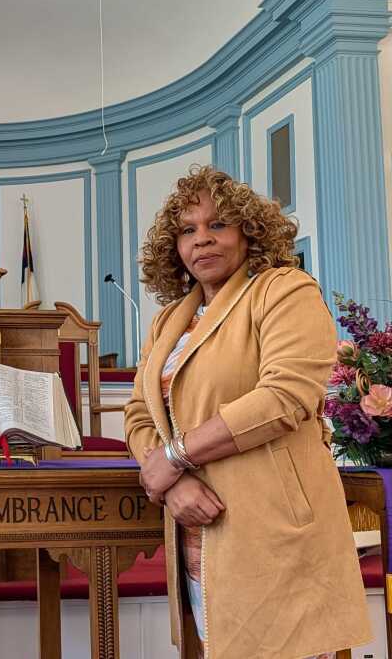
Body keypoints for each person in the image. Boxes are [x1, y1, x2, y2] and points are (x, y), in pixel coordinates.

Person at [124, 165, 371, 659]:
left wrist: (173, 458)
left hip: (272, 522)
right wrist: (174, 482)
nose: (202, 241)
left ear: (247, 230)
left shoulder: (284, 290)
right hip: (197, 525)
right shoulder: (169, 320)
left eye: (217, 225)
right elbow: (139, 414)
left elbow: (283, 398)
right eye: (188, 231)